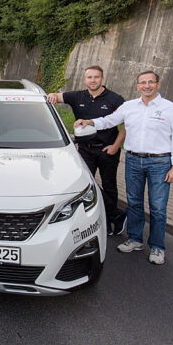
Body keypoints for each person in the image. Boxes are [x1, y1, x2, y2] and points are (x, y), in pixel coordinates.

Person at [74, 71, 173, 265]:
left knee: (158, 208)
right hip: (133, 161)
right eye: (143, 83)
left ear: (158, 85)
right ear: (137, 86)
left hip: (160, 163)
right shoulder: (129, 107)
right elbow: (109, 121)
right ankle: (135, 239)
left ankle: (157, 247)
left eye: (151, 82)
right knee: (134, 203)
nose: (147, 86)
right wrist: (90, 122)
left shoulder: (171, 109)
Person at [47, 65, 127, 235]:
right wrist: (52, 96)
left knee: (109, 185)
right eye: (89, 77)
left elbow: (126, 124)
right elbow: (56, 96)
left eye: (96, 77)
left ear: (102, 79)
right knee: (85, 185)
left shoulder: (115, 99)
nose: (93, 80)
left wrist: (116, 146)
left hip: (107, 150)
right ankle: (113, 215)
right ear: (85, 80)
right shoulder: (77, 96)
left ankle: (114, 219)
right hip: (84, 150)